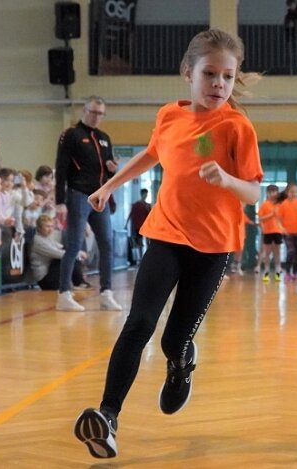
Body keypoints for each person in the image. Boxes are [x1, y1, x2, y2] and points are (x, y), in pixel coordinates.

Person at [73, 29, 263, 459]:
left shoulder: (237, 127)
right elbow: (151, 154)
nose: (218, 84)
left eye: (227, 77)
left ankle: (180, 364)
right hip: (166, 234)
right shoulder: (170, 116)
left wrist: (228, 180)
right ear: (188, 73)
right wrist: (109, 185)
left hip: (214, 247)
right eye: (209, 74)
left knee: (172, 341)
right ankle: (108, 418)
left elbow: (255, 192)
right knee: (139, 323)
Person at [54, 96, 122, 312]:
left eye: (100, 113)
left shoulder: (104, 138)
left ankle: (106, 293)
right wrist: (59, 201)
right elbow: (61, 167)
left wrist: (112, 169)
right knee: (74, 244)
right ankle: (64, 293)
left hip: (99, 197)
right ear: (84, 110)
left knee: (107, 244)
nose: (96, 117)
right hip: (77, 194)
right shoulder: (71, 134)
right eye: (93, 112)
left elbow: (107, 168)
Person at [30, 215, 89, 290]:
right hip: (45, 280)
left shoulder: (47, 238)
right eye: (47, 226)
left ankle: (79, 282)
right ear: (39, 228)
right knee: (68, 257)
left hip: (50, 274)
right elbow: (60, 254)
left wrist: (78, 252)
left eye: (51, 226)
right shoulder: (38, 241)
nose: (50, 229)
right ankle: (79, 282)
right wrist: (79, 254)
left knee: (69, 252)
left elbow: (62, 248)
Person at [276, 182, 297, 281]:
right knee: (291, 252)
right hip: (288, 233)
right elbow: (278, 219)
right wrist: (282, 228)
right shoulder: (283, 205)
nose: (293, 194)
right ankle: (287, 272)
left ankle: (294, 273)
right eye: (291, 192)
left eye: (295, 192)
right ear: (287, 192)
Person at [257, 184, 283, 282]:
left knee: (277, 251)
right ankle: (266, 270)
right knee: (267, 252)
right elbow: (260, 218)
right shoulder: (264, 205)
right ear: (267, 193)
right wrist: (271, 214)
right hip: (268, 231)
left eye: (274, 192)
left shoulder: (280, 205)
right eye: (270, 192)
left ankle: (277, 270)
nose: (272, 194)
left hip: (278, 231)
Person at [125, 188, 151, 266]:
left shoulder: (148, 205)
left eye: (146, 194)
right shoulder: (136, 204)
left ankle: (147, 258)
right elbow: (131, 214)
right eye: (145, 194)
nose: (145, 196)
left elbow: (150, 216)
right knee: (139, 243)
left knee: (147, 243)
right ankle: (140, 259)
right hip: (137, 227)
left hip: (146, 226)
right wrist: (126, 224)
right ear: (142, 194)